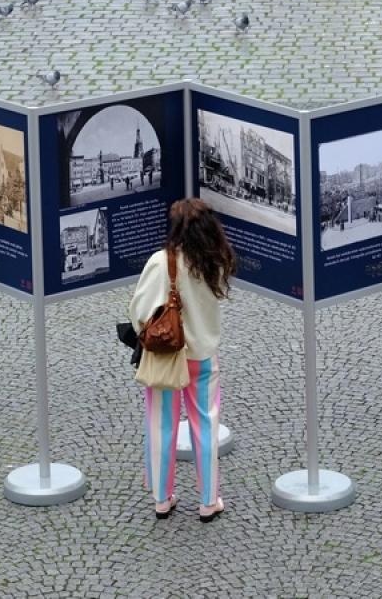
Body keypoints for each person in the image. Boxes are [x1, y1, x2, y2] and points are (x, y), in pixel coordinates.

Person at [128, 198, 233, 523]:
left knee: (161, 425)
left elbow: (139, 310)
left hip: (166, 357)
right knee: (205, 425)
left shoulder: (161, 262)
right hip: (202, 355)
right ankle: (207, 500)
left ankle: (162, 498)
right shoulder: (214, 262)